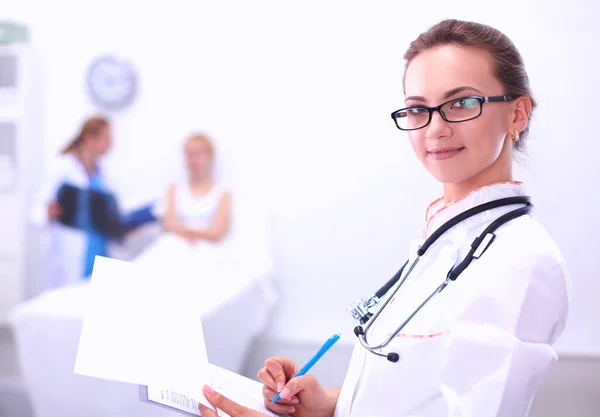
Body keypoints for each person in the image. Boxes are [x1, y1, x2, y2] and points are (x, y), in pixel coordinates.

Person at [197, 19, 571, 417]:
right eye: (417, 109)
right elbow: (417, 392)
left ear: (517, 115)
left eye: (462, 102)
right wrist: (326, 402)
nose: (435, 129)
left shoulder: (523, 261)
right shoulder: (443, 238)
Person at [31, 116, 116, 291]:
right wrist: (48, 213)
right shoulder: (63, 169)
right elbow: (35, 212)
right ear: (89, 138)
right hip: (71, 255)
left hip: (99, 254)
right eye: (107, 138)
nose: (111, 144)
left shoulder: (104, 174)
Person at [162, 133, 231, 245]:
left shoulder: (222, 193)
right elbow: (168, 224)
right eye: (189, 154)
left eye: (198, 153)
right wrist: (195, 233)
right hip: (175, 244)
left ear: (210, 156)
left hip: (207, 249)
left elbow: (217, 233)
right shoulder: (174, 188)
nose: (193, 159)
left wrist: (185, 231)